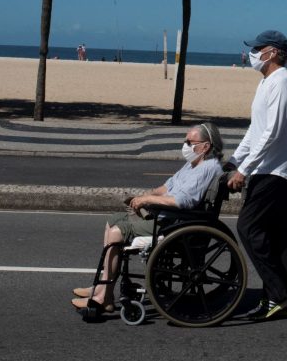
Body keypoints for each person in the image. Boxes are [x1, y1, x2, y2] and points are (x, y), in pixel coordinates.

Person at [71, 123, 224, 314]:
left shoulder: (207, 168)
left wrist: (147, 200)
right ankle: (102, 286)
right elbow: (168, 187)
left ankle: (104, 297)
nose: (185, 146)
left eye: (189, 142)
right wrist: (144, 196)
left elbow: (182, 201)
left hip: (174, 223)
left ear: (206, 146)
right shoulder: (193, 164)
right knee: (113, 220)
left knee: (118, 232)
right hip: (166, 217)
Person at [226, 30, 287, 321]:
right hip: (266, 167)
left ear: (271, 52)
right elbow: (255, 130)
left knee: (248, 229)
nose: (252, 53)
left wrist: (244, 170)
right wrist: (234, 160)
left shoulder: (282, 82)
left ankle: (279, 295)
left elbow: (272, 133)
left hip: (274, 170)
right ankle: (286, 298)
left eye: (257, 48)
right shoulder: (267, 82)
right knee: (275, 238)